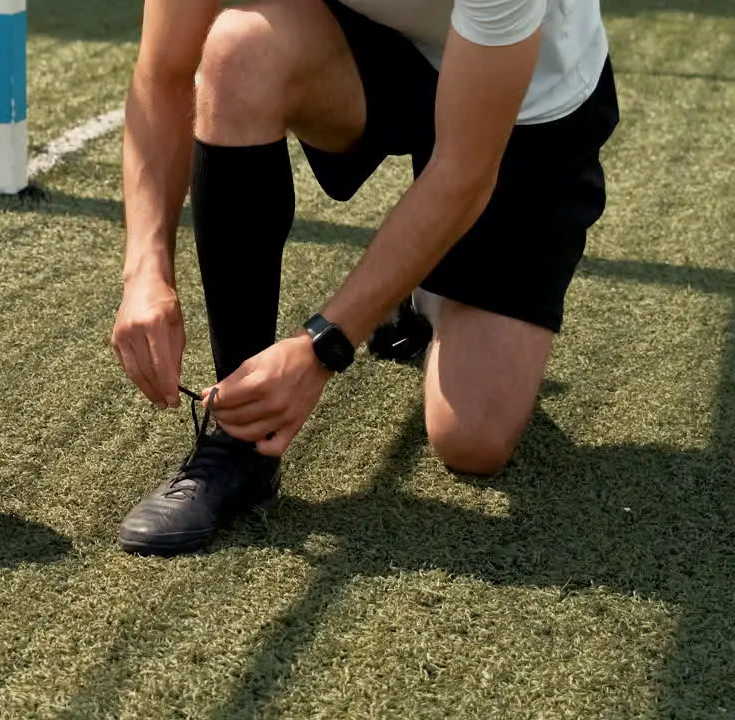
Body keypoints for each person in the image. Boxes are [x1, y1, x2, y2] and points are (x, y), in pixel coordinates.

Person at [110, 0, 620, 556]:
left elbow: (466, 172)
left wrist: (323, 345)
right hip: (370, 49)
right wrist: (145, 269)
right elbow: (163, 71)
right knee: (239, 49)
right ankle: (240, 440)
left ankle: (423, 293)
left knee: (472, 442)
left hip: (525, 104)